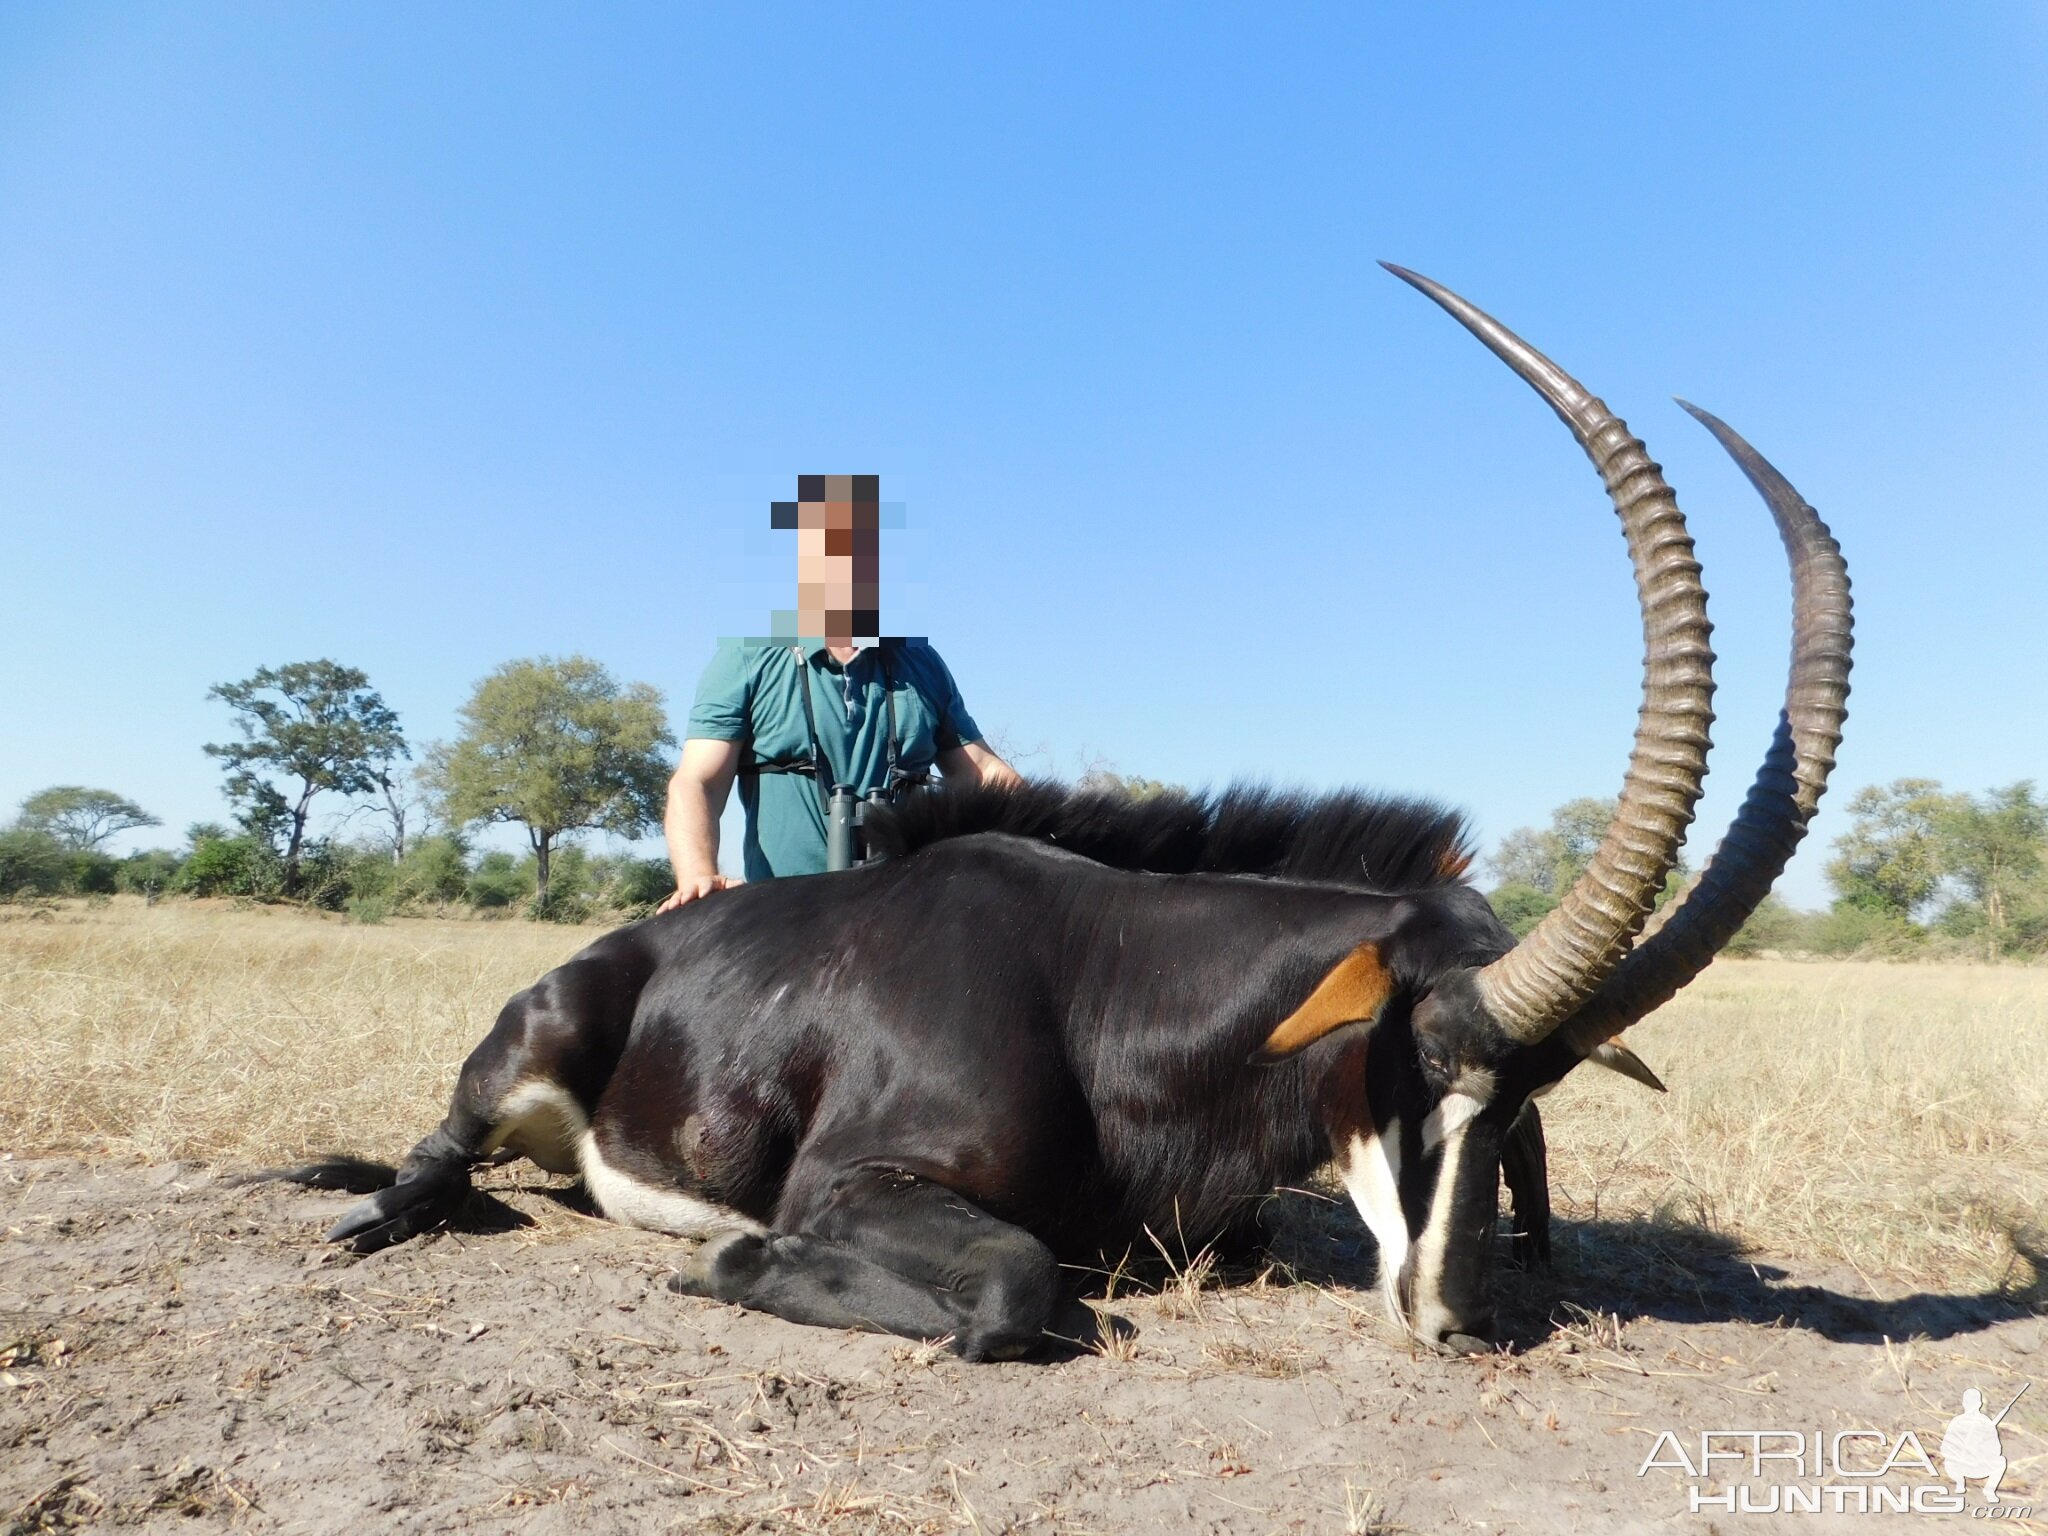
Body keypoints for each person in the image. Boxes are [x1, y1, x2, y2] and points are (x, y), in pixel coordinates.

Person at [659, 475, 1020, 909]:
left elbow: (982, 773)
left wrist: (1067, 834)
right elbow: (697, 781)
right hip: (782, 914)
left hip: (901, 910)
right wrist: (698, 877)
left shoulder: (920, 662)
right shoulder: (748, 656)